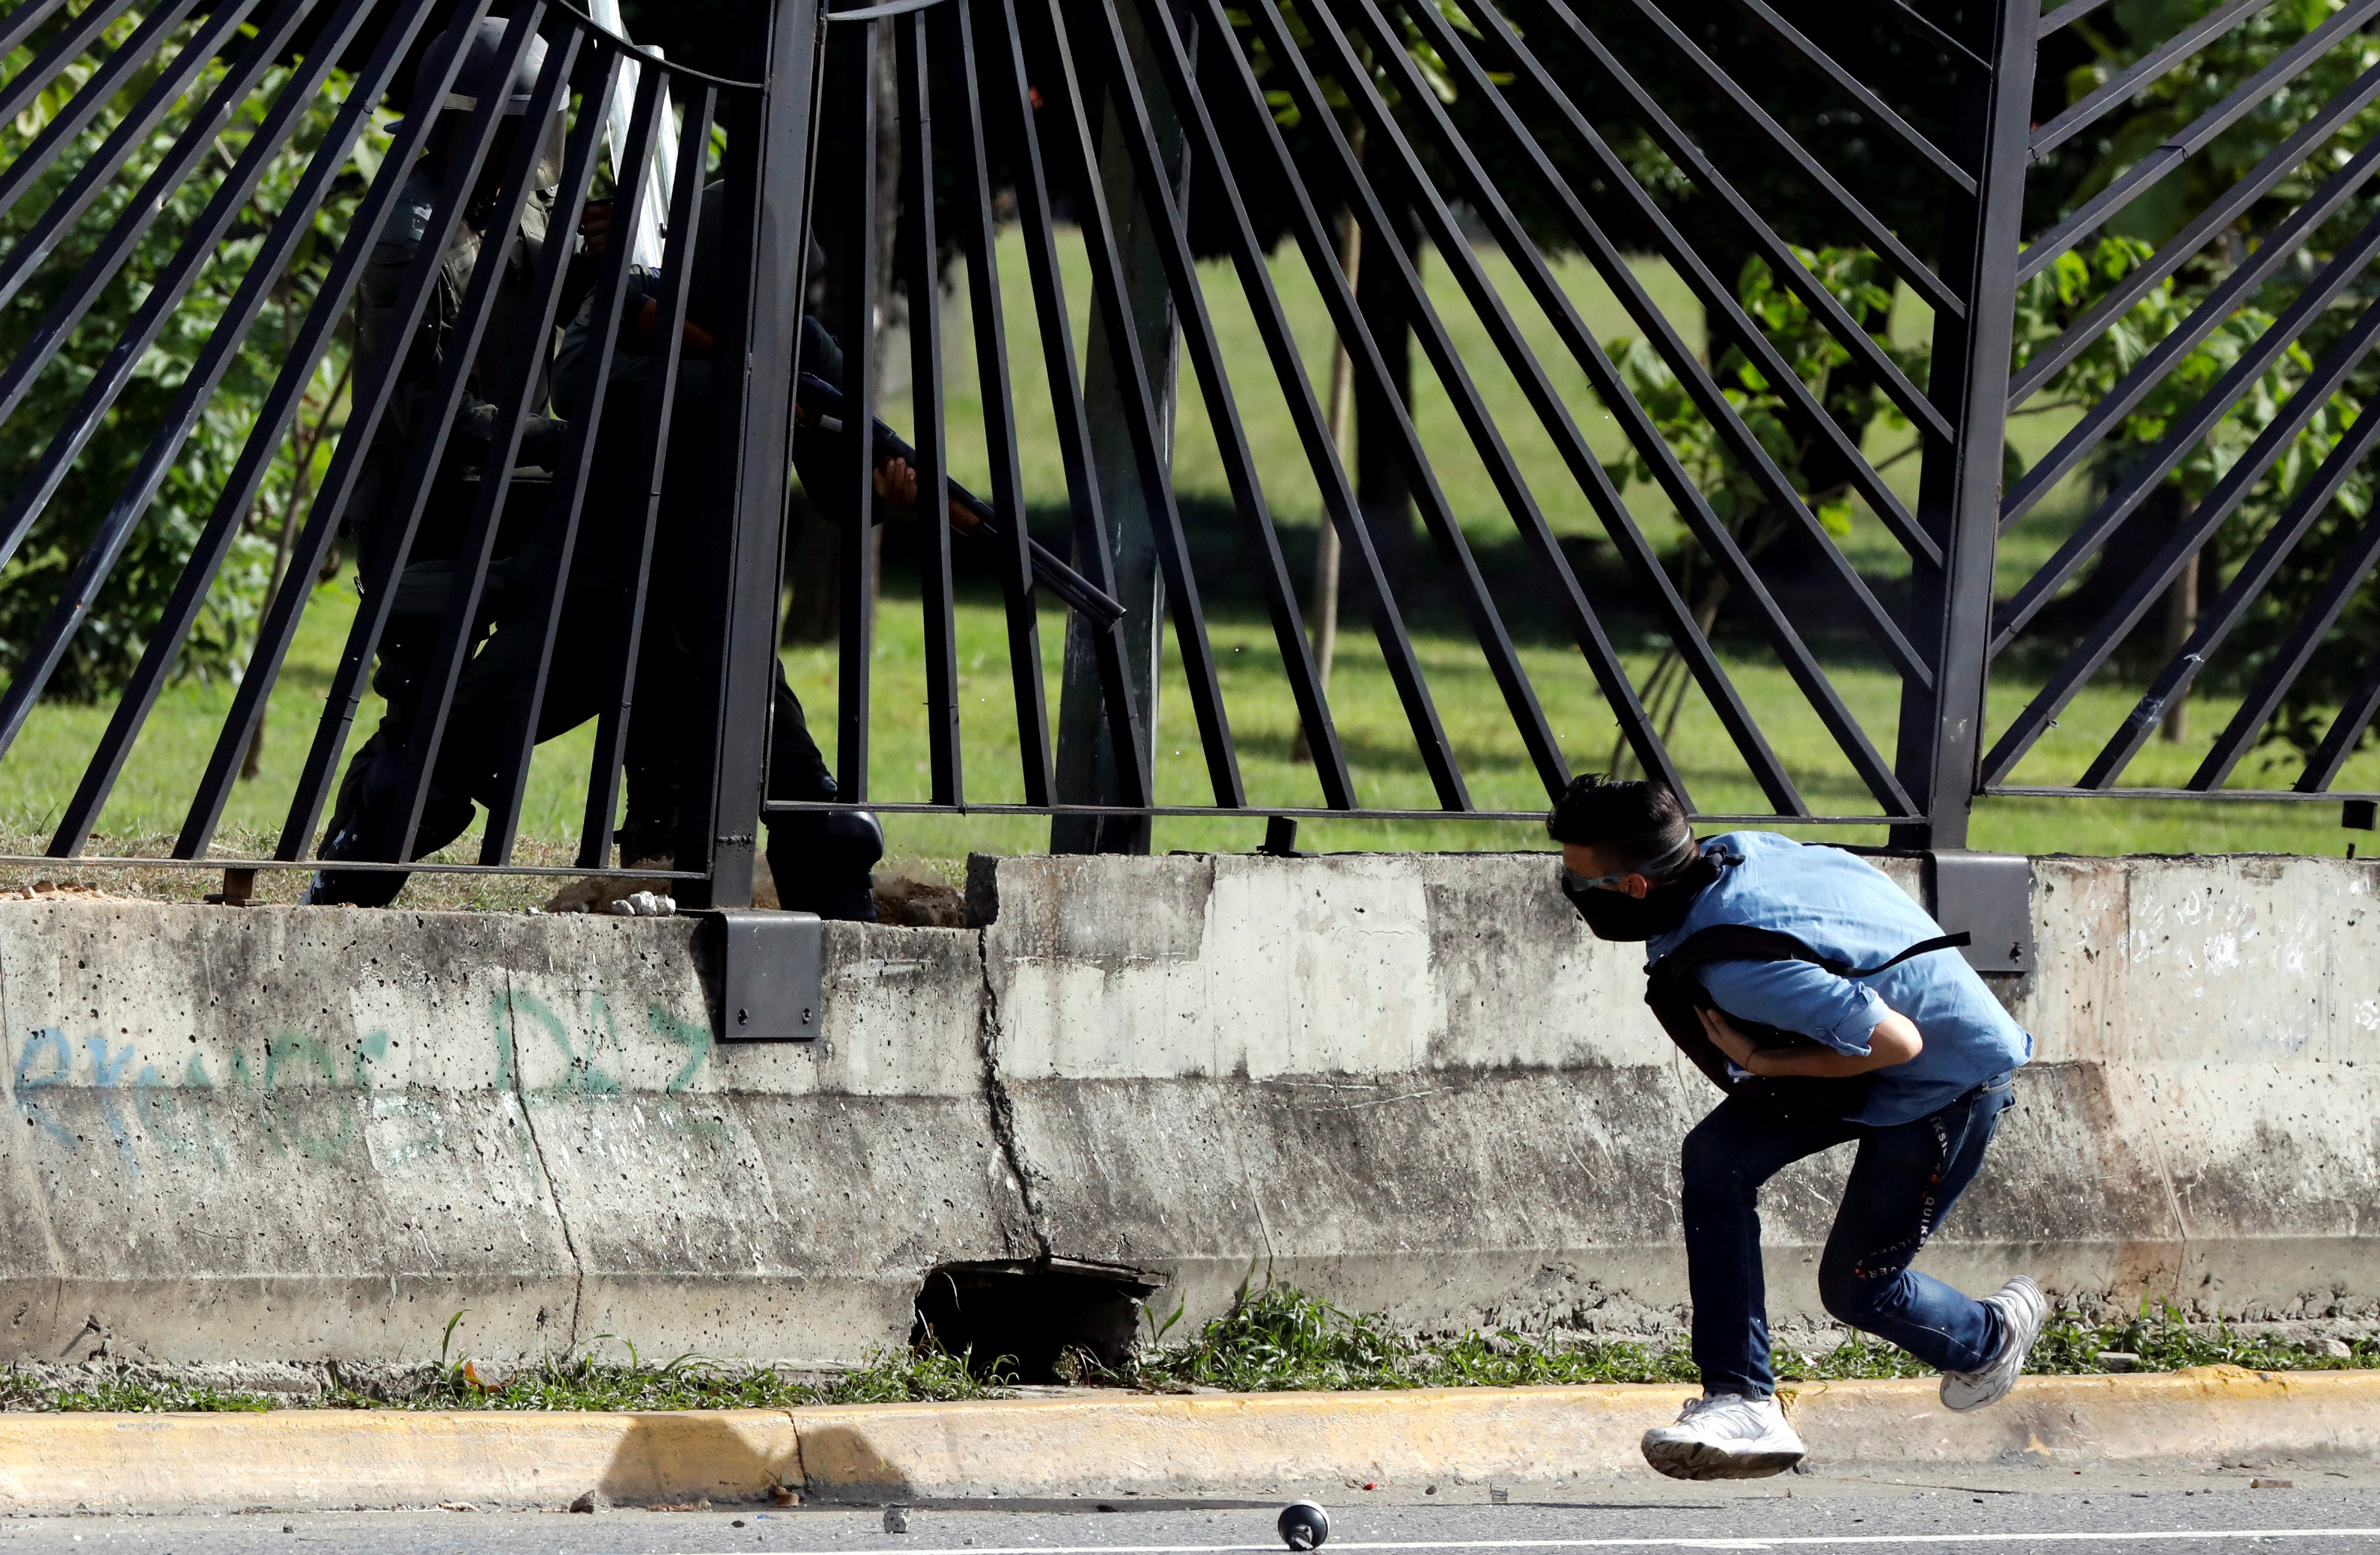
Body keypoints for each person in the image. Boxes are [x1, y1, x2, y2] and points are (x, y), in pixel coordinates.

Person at [1546, 776, 2042, 1481]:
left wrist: (1758, 1056)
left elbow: (1895, 1042)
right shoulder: (1732, 855)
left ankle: (1988, 1337)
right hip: (1870, 1058)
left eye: (1579, 877)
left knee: (1858, 1288)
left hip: (1947, 1081)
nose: (1570, 887)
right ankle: (1742, 1397)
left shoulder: (1739, 969)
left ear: (1633, 889)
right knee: (1715, 1160)